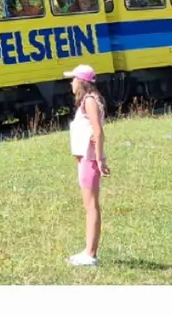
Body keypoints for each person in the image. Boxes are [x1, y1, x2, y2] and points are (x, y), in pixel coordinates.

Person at [65, 64, 109, 267]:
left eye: (73, 79)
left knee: (91, 206)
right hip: (86, 159)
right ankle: (87, 251)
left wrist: (100, 159)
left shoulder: (89, 101)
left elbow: (98, 131)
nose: (71, 83)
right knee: (89, 206)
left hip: (89, 160)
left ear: (81, 82)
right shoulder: (87, 101)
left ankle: (90, 254)